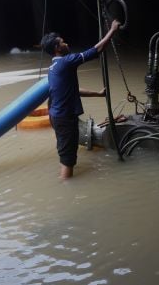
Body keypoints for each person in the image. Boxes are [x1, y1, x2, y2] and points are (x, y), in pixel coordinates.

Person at [41, 19, 120, 179]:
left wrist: (98, 94)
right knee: (68, 159)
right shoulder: (66, 62)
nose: (66, 44)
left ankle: (65, 178)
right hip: (64, 118)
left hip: (57, 116)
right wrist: (112, 30)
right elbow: (97, 49)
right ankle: (66, 187)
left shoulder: (53, 67)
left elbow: (73, 91)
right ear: (57, 48)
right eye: (62, 42)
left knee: (66, 151)